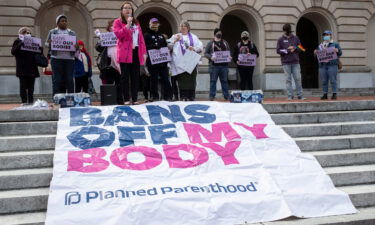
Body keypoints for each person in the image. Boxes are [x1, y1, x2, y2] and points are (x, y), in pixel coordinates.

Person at [113, 1, 147, 105]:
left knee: (135, 77)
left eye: (130, 8)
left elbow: (141, 38)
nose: (128, 10)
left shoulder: (136, 23)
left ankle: (135, 99)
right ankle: (126, 99)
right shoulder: (117, 22)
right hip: (125, 53)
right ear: (122, 11)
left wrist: (144, 53)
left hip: (136, 52)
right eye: (125, 8)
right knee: (125, 77)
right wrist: (127, 24)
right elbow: (118, 35)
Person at [168, 21, 203, 101]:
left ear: (188, 28)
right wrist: (174, 41)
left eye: (185, 26)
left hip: (190, 61)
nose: (183, 28)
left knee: (191, 80)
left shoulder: (194, 37)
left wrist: (193, 48)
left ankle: (191, 96)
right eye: (182, 26)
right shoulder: (175, 36)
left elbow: (200, 47)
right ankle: (183, 96)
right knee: (182, 81)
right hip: (179, 63)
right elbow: (168, 46)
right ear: (179, 28)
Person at [45, 14, 77, 96]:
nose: (64, 22)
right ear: (57, 23)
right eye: (62, 21)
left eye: (65, 21)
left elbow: (76, 45)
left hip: (69, 60)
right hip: (56, 59)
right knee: (57, 80)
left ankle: (71, 98)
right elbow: (46, 44)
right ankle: (56, 98)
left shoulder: (72, 33)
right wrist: (50, 43)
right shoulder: (53, 32)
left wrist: (76, 46)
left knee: (70, 79)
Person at [95, 19, 123, 104]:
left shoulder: (120, 36)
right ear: (109, 28)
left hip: (119, 63)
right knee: (108, 83)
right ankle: (108, 101)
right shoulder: (106, 36)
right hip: (108, 64)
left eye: (115, 26)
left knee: (119, 83)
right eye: (112, 25)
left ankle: (119, 100)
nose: (113, 27)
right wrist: (101, 39)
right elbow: (98, 48)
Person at [144, 18, 172, 101]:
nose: (154, 25)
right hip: (153, 62)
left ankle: (168, 96)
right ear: (149, 24)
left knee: (165, 79)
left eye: (156, 23)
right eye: (153, 23)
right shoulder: (146, 35)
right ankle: (154, 96)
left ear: (158, 25)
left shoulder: (161, 36)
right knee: (154, 80)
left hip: (162, 61)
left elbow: (165, 47)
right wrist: (154, 46)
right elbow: (145, 47)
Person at [11, 27, 41, 104]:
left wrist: (39, 45)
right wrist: (22, 42)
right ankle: (24, 101)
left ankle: (31, 102)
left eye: (29, 32)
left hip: (32, 68)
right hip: (22, 69)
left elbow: (40, 52)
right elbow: (13, 52)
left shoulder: (33, 41)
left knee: (31, 88)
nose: (28, 33)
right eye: (25, 32)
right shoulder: (17, 41)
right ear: (21, 34)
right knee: (23, 87)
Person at [276, 23, 305, 100]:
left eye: (288, 30)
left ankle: (300, 95)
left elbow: (302, 48)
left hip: (295, 62)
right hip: (286, 63)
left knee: (298, 79)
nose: (287, 32)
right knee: (288, 80)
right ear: (284, 30)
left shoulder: (296, 38)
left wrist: (295, 48)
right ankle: (290, 95)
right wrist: (287, 50)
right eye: (286, 30)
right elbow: (278, 50)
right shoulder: (280, 39)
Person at [314, 30, 342, 100]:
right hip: (322, 65)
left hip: (332, 64)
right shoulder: (320, 45)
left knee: (333, 80)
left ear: (330, 35)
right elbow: (317, 56)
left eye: (327, 35)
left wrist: (337, 51)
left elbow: (340, 53)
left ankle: (334, 93)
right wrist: (315, 53)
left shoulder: (335, 44)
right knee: (324, 81)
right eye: (324, 35)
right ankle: (325, 94)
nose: (326, 36)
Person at [204, 28, 231, 101]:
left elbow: (229, 52)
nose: (220, 34)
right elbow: (205, 53)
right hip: (214, 66)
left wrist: (229, 57)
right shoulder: (210, 43)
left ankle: (226, 96)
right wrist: (211, 57)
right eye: (218, 33)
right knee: (213, 81)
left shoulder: (225, 42)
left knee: (224, 81)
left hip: (224, 66)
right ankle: (212, 96)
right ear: (215, 34)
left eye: (221, 33)